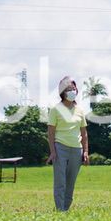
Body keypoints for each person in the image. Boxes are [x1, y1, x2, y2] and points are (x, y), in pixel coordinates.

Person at [46, 76, 89, 211]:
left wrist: (86, 151)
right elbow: (51, 132)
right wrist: (53, 151)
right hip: (60, 148)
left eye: (74, 88)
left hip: (77, 150)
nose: (72, 91)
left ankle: (66, 208)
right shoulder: (55, 109)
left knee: (70, 183)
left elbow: (84, 133)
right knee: (60, 182)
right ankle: (60, 210)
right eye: (69, 88)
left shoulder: (80, 110)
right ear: (62, 92)